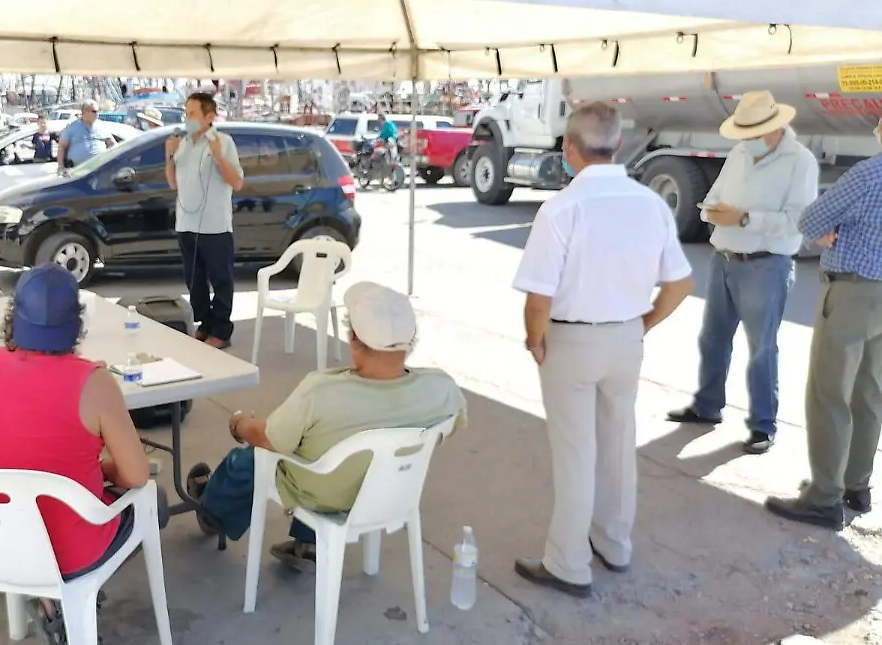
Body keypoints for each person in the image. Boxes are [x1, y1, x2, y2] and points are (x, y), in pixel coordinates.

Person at [512, 102, 694, 597]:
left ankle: (568, 563)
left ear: (569, 150)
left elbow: (538, 300)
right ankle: (614, 544)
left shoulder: (562, 208)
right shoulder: (651, 203)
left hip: (571, 338)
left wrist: (535, 339)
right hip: (625, 338)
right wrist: (645, 324)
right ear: (617, 147)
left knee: (575, 453)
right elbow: (679, 282)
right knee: (617, 443)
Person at [185, 281, 467, 570]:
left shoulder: (322, 390)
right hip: (390, 492)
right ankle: (308, 543)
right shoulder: (441, 388)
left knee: (249, 459)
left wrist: (240, 424)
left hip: (323, 493)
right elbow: (451, 426)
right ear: (411, 339)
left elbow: (271, 439)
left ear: (353, 337)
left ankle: (212, 514)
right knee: (322, 451)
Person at [0, 264, 150, 577]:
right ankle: (72, 597)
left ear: (13, 317)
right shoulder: (95, 383)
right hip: (70, 554)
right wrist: (100, 470)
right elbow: (136, 476)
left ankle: (47, 598)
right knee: (157, 503)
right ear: (75, 324)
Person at [665, 91, 818, 454]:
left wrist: (746, 218)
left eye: (752, 134)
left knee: (762, 349)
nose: (746, 141)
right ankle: (706, 407)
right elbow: (715, 196)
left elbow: (800, 221)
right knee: (713, 338)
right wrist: (711, 212)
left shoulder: (801, 162)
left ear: (776, 127)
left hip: (766, 265)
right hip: (725, 257)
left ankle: (763, 426)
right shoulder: (739, 153)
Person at [763, 122, 882, 530]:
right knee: (869, 392)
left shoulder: (869, 172)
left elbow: (812, 219)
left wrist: (830, 230)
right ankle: (856, 484)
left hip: (853, 293)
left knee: (829, 394)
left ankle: (824, 497)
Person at [165, 92, 244, 349]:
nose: (187, 119)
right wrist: (169, 156)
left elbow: (237, 182)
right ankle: (206, 324)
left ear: (209, 117)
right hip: (186, 223)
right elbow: (172, 182)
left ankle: (222, 330)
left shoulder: (223, 142)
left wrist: (219, 156)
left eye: (192, 114)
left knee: (221, 279)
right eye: (185, 114)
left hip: (214, 225)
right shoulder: (184, 143)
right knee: (194, 279)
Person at [57, 99, 113, 173]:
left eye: (98, 111)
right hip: (77, 171)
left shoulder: (102, 127)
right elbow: (62, 147)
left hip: (100, 171)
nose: (97, 114)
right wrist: (61, 166)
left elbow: (113, 145)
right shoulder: (72, 127)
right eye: (94, 111)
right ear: (85, 112)